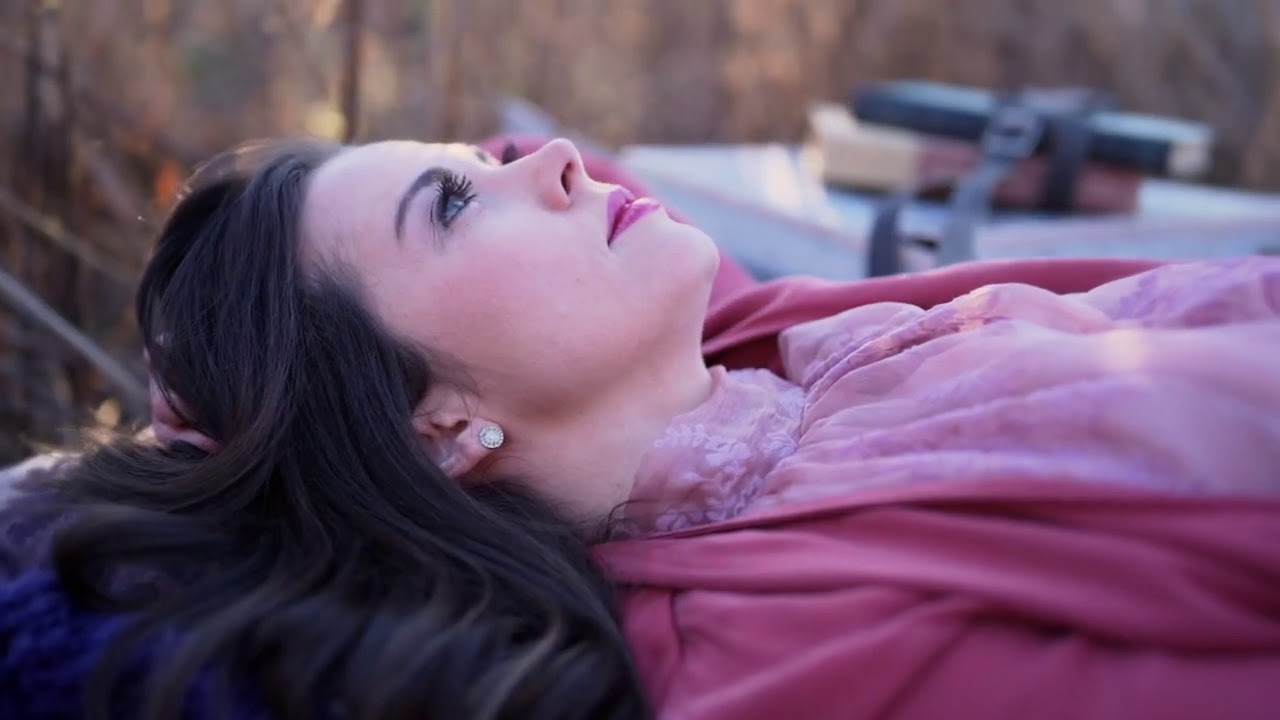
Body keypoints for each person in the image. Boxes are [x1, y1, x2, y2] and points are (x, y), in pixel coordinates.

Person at [2, 136, 1279, 720]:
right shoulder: (789, 661)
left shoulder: (764, 341)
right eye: (452, 203)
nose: (554, 159)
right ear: (434, 429)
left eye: (480, 156)